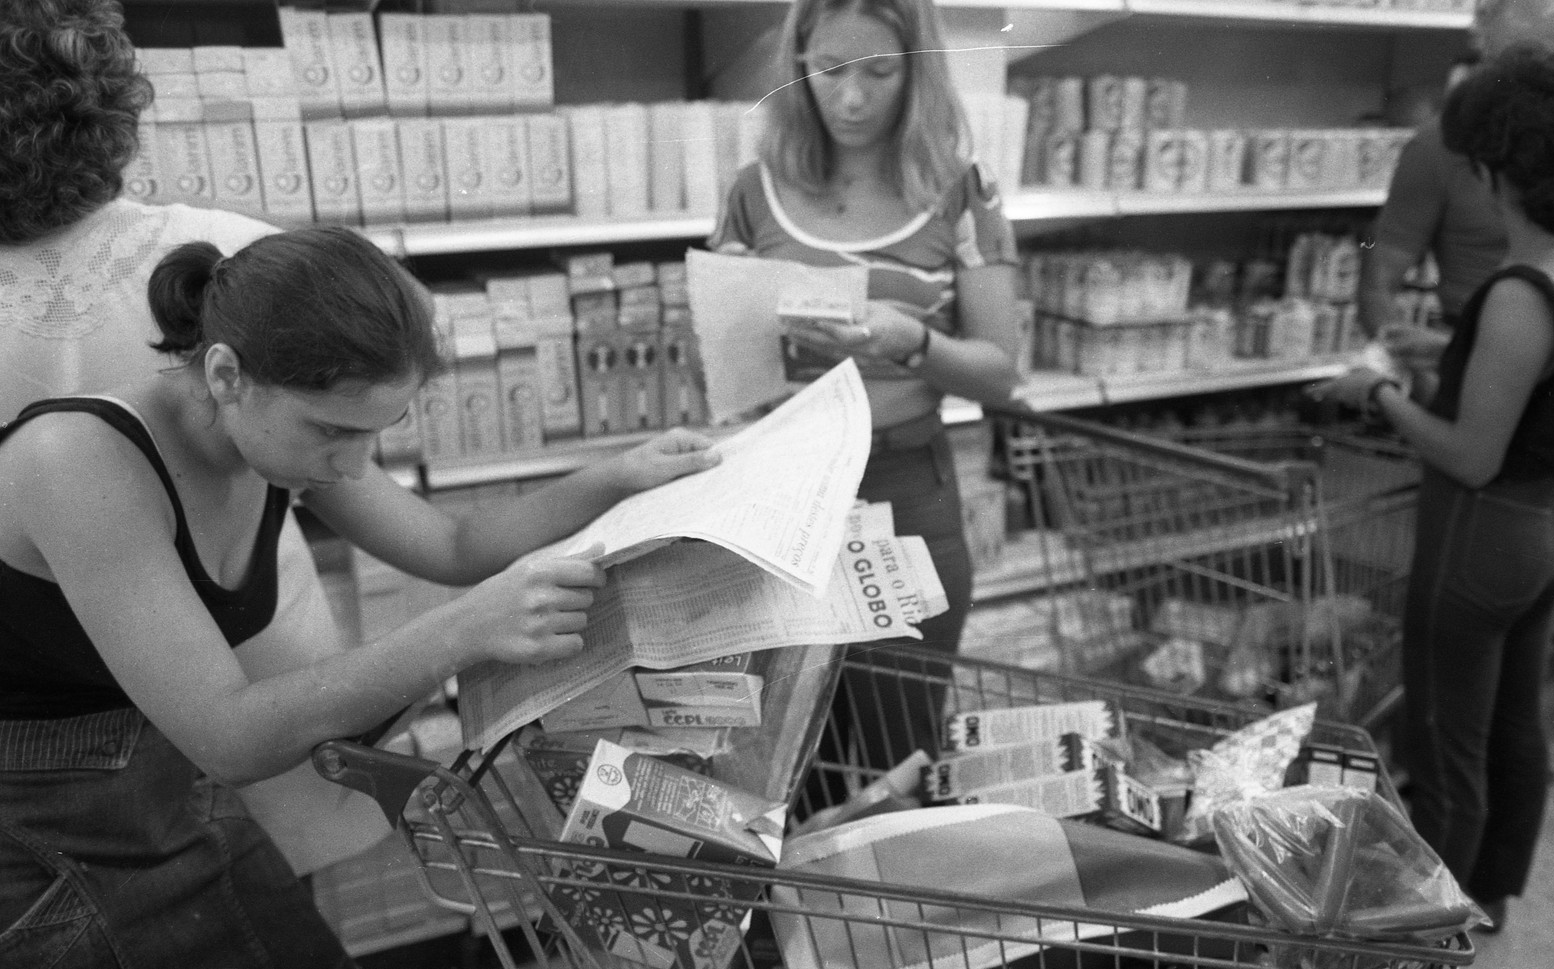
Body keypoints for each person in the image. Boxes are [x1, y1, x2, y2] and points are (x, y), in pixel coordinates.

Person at [0, 226, 720, 967]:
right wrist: (462, 631)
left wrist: (619, 475)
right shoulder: (76, 461)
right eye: (334, 432)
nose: (351, 467)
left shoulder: (272, 431)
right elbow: (229, 735)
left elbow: (451, 545)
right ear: (224, 374)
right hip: (33, 825)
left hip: (163, 783)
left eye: (378, 432)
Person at [0, 0, 382, 878]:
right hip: (271, 685)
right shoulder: (236, 254)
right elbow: (361, 485)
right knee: (283, 911)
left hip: (57, 753)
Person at [1314, 44, 1554, 935]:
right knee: (1518, 725)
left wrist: (1382, 393)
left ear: (1486, 174)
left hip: (1479, 534)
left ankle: (1426, 931)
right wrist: (1454, 357)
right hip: (1553, 523)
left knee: (1445, 744)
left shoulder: (1517, 293)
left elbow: (1470, 455)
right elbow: (1548, 390)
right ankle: (1496, 902)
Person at [708, 0, 1024, 785]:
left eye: (880, 73)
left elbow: (1000, 373)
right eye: (829, 72)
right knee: (781, 770)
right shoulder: (754, 192)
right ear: (797, 66)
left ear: (918, 70)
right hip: (781, 499)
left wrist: (910, 339)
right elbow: (715, 360)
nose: (851, 100)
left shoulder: (962, 191)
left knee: (895, 756)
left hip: (904, 496)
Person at [1356, 0, 1554, 344]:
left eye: (1551, 65)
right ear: (1482, 53)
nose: (1532, 89)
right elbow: (1377, 289)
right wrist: (1436, 375)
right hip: (1475, 343)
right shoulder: (1441, 144)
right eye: (1512, 68)